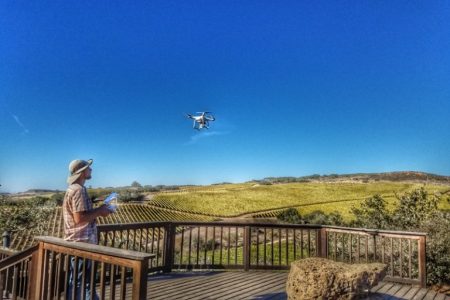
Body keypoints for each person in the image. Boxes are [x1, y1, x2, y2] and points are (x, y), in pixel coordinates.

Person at [63, 159, 112, 300]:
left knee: (77, 282)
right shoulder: (79, 190)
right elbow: (79, 219)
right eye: (88, 168)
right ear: (82, 172)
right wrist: (101, 211)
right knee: (86, 284)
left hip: (76, 241)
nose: (91, 170)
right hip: (83, 242)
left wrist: (98, 210)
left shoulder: (71, 189)